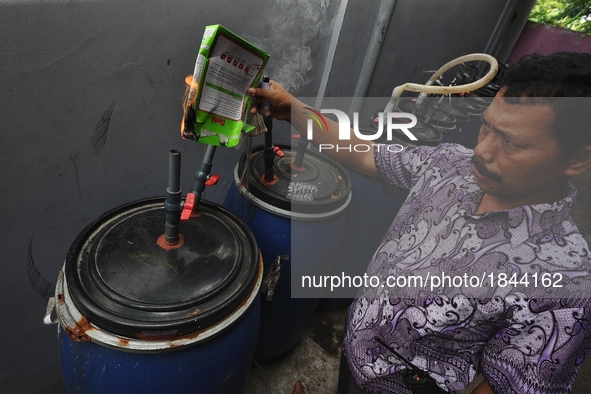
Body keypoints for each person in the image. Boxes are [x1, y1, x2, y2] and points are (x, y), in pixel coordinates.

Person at [248, 52, 591, 394]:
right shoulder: (450, 165)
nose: (482, 150)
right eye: (486, 126)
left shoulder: (566, 284)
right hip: (356, 354)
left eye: (511, 141)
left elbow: (509, 388)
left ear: (578, 159)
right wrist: (293, 109)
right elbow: (365, 151)